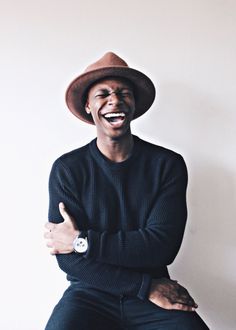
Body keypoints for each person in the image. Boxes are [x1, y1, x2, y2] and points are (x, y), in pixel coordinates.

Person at [44, 52, 209, 329]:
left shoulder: (167, 165)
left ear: (133, 104)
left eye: (124, 93)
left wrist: (81, 241)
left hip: (154, 296)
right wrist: (145, 287)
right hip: (90, 294)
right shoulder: (68, 169)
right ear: (88, 105)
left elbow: (161, 248)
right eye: (103, 94)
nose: (115, 100)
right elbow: (68, 260)